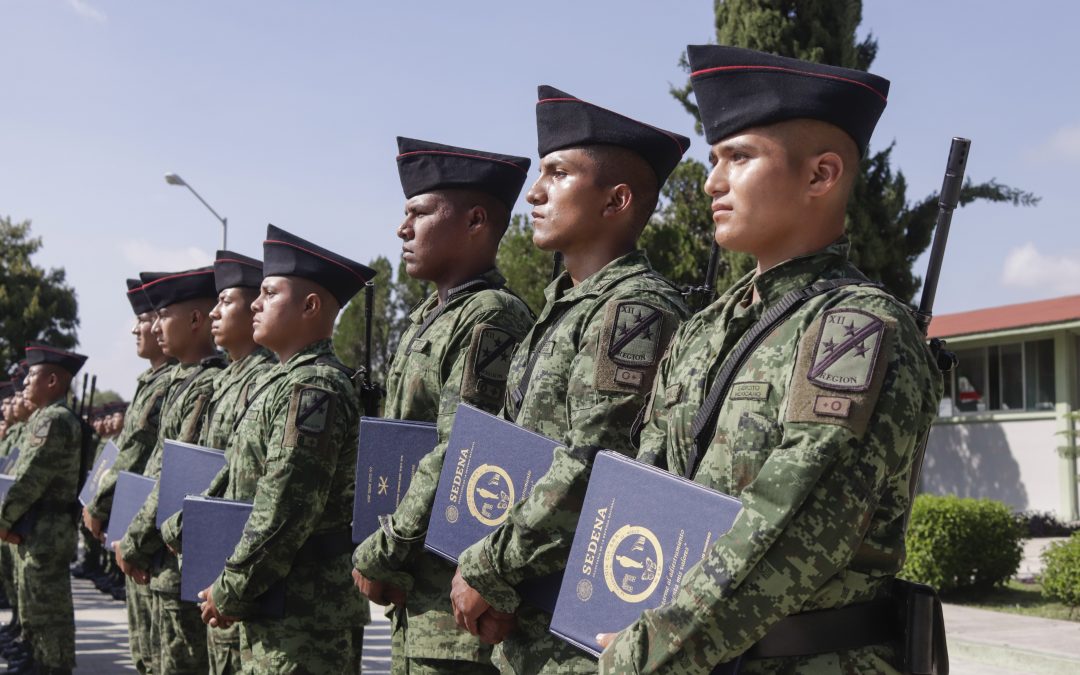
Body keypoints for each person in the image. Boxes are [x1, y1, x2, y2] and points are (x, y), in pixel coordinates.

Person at [596, 45, 944, 674]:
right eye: (713, 160)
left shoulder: (857, 330)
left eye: (740, 157)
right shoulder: (705, 329)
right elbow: (644, 489)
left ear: (821, 175)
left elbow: (793, 524)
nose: (712, 182)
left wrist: (645, 653)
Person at [449, 86, 691, 674]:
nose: (534, 193)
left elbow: (594, 463)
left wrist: (490, 570)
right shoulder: (562, 308)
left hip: (580, 635)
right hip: (527, 623)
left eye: (557, 173)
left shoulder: (635, 311)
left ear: (617, 200)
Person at [351, 137, 537, 674]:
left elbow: (463, 447)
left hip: (453, 610)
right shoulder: (428, 318)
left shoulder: (490, 317)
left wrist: (385, 547)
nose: (402, 229)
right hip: (417, 601)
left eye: (419, 213)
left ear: (476, 220)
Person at [198, 225, 374, 673]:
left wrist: (233, 587)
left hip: (305, 617)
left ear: (310, 306)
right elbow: (239, 476)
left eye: (269, 293)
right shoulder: (286, 381)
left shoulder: (315, 385)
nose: (255, 303)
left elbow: (286, 504)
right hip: (277, 602)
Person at [159, 250, 276, 675]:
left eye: (225, 301)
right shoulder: (229, 376)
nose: (213, 312)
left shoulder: (265, 378)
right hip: (211, 550)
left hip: (235, 556)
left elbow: (246, 477)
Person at [115, 267, 225, 674]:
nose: (153, 326)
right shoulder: (181, 381)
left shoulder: (202, 383)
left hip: (170, 555)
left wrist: (134, 540)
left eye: (163, 315)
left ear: (195, 320)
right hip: (153, 549)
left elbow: (177, 476)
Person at [82, 278, 176, 673]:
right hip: (134, 526)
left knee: (161, 656)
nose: (142, 328)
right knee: (146, 654)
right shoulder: (150, 384)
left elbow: (140, 454)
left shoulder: (172, 384)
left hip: (150, 532)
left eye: (149, 317)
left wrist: (97, 504)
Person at [0, 344, 87, 674]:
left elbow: (29, 482)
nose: (23, 385)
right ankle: (40, 658)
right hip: (38, 528)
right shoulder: (45, 418)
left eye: (30, 377)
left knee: (47, 609)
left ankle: (51, 665)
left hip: (46, 531)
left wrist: (2, 519)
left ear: (52, 381)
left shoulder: (53, 420)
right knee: (35, 603)